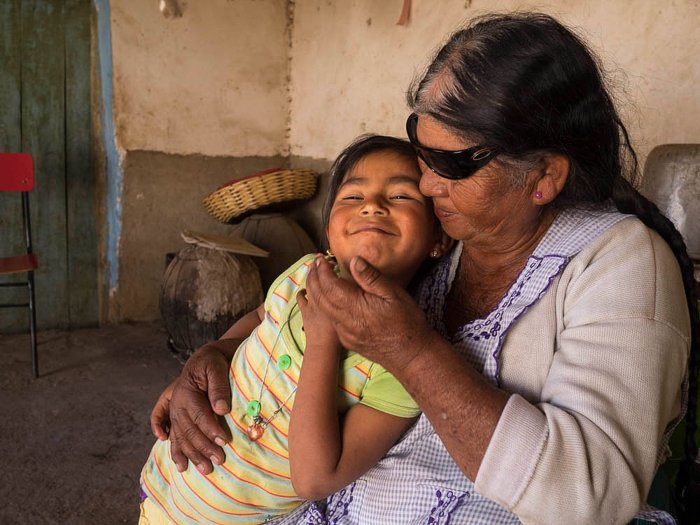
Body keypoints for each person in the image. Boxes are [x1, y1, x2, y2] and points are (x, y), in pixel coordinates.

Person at [149, 12, 699, 525]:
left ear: (545, 176)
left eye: (454, 163)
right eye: (422, 150)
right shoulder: (439, 238)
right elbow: (282, 321)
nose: (428, 184)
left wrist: (412, 353)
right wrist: (215, 357)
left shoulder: (623, 267)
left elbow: (591, 496)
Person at [139, 134, 451, 524]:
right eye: (353, 197)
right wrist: (217, 350)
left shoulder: (404, 360)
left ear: (438, 238)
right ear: (330, 230)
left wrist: (323, 341)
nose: (372, 206)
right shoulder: (305, 272)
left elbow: (315, 478)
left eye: (402, 196)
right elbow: (259, 317)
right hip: (164, 486)